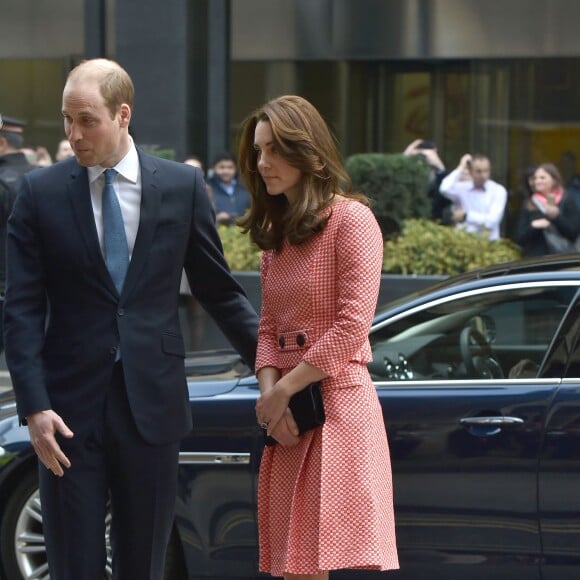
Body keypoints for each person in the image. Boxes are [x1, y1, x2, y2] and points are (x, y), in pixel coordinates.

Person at [3, 58, 259, 580]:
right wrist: (34, 407)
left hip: (153, 407)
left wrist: (273, 371)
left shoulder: (184, 187)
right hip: (68, 413)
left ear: (123, 115)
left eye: (87, 120)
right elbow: (21, 307)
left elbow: (219, 292)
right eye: (66, 119)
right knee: (75, 564)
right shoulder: (40, 193)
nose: (73, 134)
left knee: (143, 562)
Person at [238, 95, 399, 579]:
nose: (263, 163)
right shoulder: (277, 233)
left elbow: (352, 325)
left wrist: (283, 392)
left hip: (336, 403)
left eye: (274, 150)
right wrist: (271, 397)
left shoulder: (351, 220)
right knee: (296, 566)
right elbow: (268, 328)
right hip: (288, 412)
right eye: (258, 151)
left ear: (306, 151)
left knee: (313, 562)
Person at [516, 163, 580, 256]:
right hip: (535, 260)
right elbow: (519, 239)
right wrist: (534, 226)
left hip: (560, 259)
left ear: (554, 180)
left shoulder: (567, 200)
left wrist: (556, 217)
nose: (537, 181)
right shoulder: (529, 203)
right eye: (535, 178)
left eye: (542, 178)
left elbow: (573, 234)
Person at [439, 152, 508, 240]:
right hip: (465, 241)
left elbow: (492, 221)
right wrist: (460, 167)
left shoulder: (498, 190)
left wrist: (466, 216)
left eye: (486, 171)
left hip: (489, 244)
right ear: (471, 171)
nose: (483, 175)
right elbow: (444, 188)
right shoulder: (462, 188)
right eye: (479, 171)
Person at [402, 138, 451, 222]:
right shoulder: (407, 173)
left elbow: (447, 195)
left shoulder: (441, 176)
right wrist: (404, 158)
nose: (424, 159)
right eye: (421, 156)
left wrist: (440, 167)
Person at [207, 151, 250, 225]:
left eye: (230, 167)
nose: (226, 171)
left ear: (235, 169)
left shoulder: (245, 188)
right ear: (214, 168)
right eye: (222, 167)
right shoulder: (208, 189)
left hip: (242, 233)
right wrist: (216, 218)